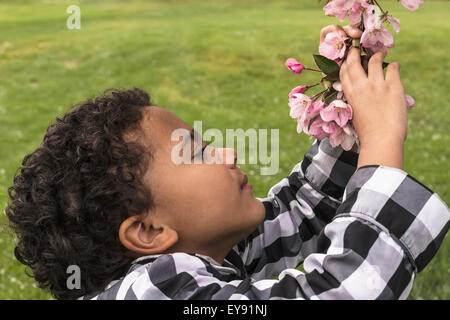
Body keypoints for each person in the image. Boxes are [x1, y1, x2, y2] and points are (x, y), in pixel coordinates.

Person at [6, 25, 449, 300]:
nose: (229, 154)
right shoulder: (151, 290)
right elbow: (342, 291)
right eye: (197, 153)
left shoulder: (193, 251)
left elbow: (301, 212)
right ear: (148, 231)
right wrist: (383, 141)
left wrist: (347, 118)